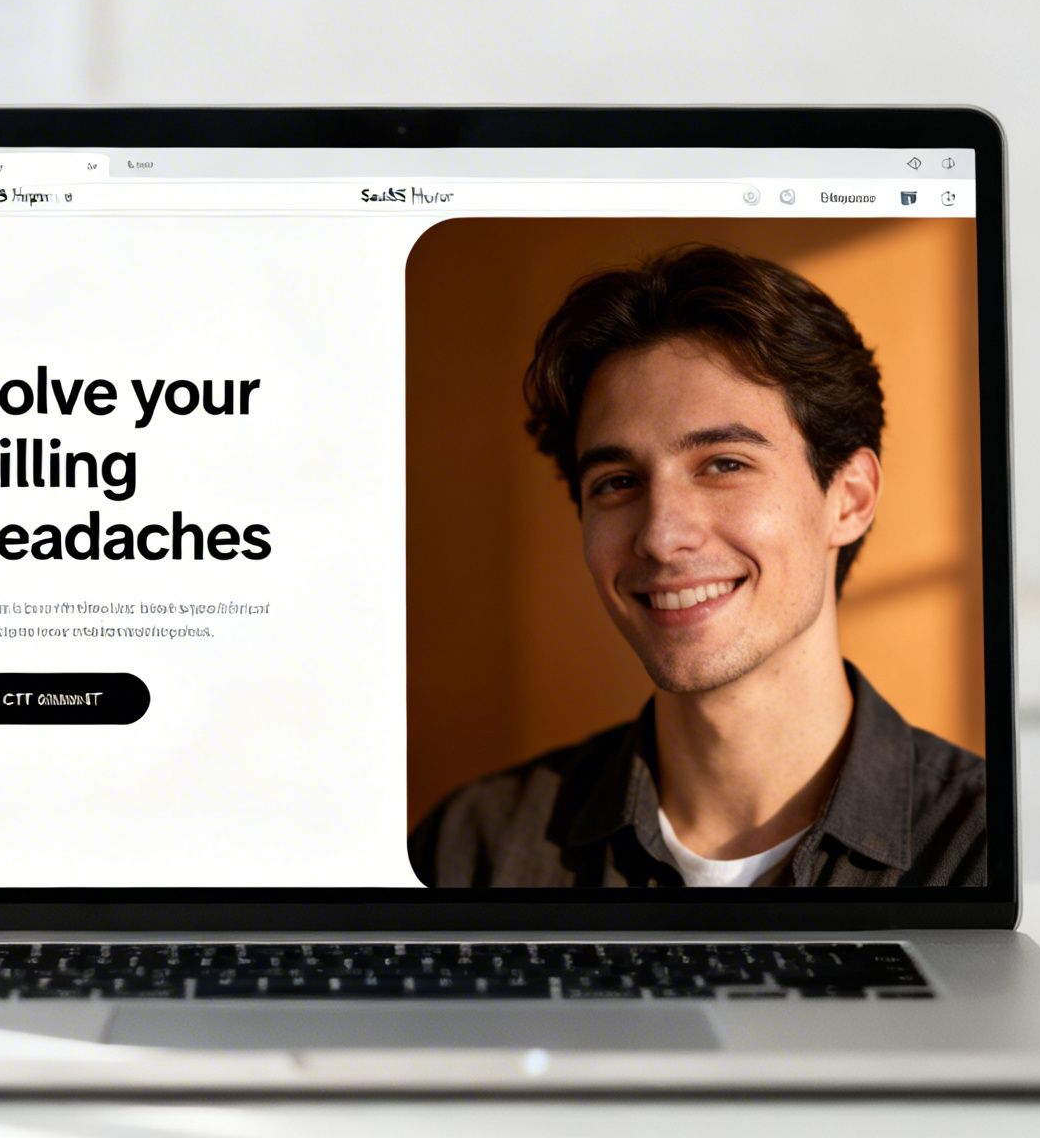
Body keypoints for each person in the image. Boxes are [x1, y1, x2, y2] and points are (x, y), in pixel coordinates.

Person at [408, 245, 985, 888]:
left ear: (848, 499)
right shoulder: (474, 848)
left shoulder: (981, 851)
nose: (660, 536)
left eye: (724, 464)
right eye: (618, 481)